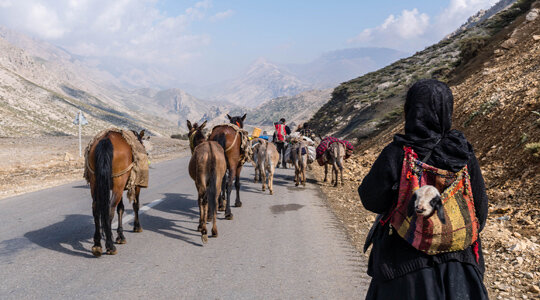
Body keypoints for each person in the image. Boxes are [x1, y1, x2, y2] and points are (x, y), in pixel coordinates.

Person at [358, 79, 488, 299]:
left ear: (410, 109)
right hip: (458, 271)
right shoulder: (463, 154)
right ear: (446, 109)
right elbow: (480, 214)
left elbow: (371, 200)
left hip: (402, 268)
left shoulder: (398, 152)